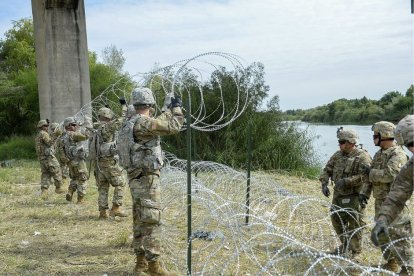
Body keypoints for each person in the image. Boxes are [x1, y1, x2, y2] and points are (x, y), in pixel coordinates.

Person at [117, 88, 184, 275]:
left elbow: (159, 122)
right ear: (149, 105)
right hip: (147, 179)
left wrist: (166, 108)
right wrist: (176, 108)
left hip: (135, 178)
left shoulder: (128, 123)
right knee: (152, 221)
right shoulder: (144, 124)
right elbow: (173, 126)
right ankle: (154, 267)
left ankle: (140, 264)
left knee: (139, 219)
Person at [359, 121, 409, 272]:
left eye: (376, 135)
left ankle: (408, 268)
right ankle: (391, 263)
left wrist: (371, 172)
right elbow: (370, 178)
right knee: (383, 235)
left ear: (385, 135)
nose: (374, 138)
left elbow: (390, 174)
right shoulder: (379, 154)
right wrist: (364, 193)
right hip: (380, 201)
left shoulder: (398, 154)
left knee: (400, 236)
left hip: (394, 203)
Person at [319, 127, 372, 258]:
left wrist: (348, 181)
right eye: (339, 142)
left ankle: (355, 251)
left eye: (342, 142)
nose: (340, 144)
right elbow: (327, 170)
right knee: (336, 219)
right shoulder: (337, 155)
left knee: (355, 222)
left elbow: (366, 176)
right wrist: (324, 183)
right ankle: (345, 244)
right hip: (338, 195)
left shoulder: (362, 157)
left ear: (350, 142)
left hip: (354, 195)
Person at [371, 115, 414, 276]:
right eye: (409, 145)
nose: (412, 150)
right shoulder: (411, 166)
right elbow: (397, 194)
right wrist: (383, 218)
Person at [92, 100, 128, 219]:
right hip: (109, 163)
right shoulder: (108, 127)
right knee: (121, 183)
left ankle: (102, 212)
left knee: (103, 187)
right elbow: (123, 118)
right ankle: (116, 208)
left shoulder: (96, 128)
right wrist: (124, 106)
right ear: (108, 117)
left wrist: (107, 109)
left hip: (98, 164)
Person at [56, 117, 89, 204]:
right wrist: (86, 127)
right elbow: (86, 137)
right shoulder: (73, 135)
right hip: (78, 161)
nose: (75, 126)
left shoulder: (62, 137)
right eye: (74, 125)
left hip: (70, 162)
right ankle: (80, 199)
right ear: (69, 126)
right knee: (82, 179)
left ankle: (70, 192)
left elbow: (60, 150)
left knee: (74, 178)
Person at [35, 119, 65, 196]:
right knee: (57, 170)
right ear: (41, 126)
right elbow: (49, 143)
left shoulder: (39, 134)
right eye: (45, 125)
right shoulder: (44, 133)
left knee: (46, 173)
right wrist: (56, 134)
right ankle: (59, 188)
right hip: (48, 158)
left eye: (47, 125)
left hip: (42, 158)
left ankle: (44, 191)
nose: (47, 127)